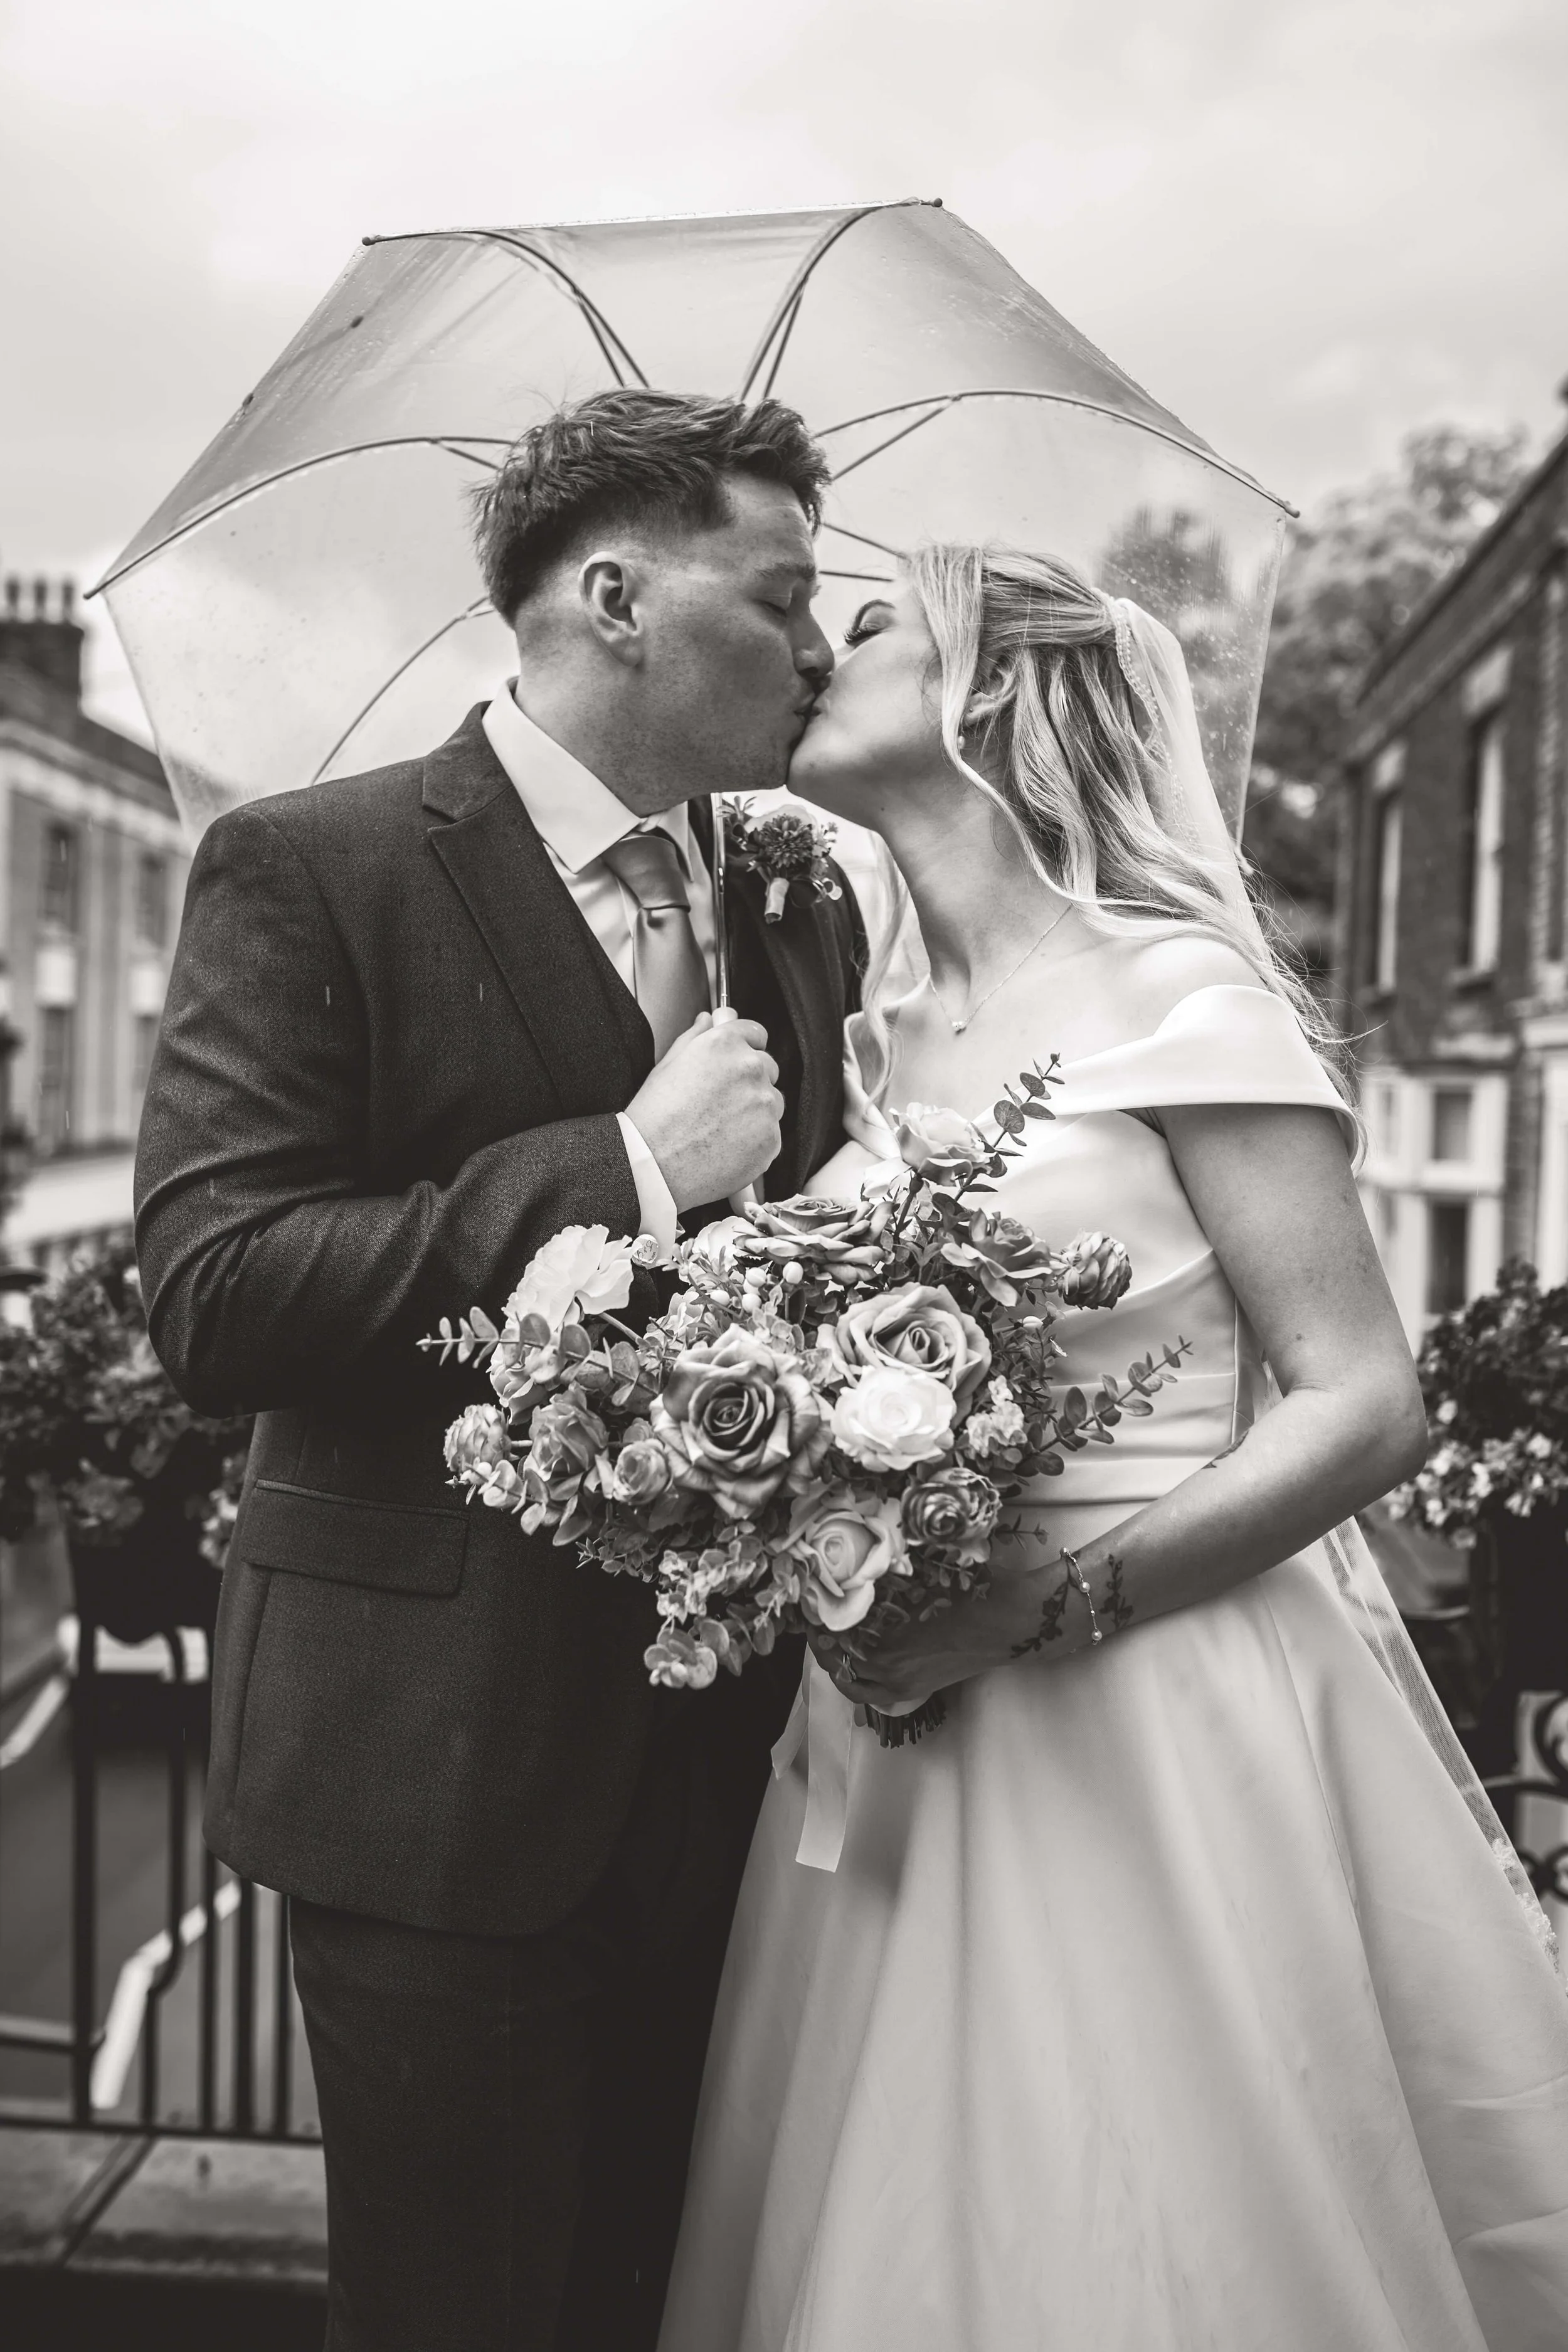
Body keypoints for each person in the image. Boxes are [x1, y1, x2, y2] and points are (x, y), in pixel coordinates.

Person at [659, 545, 1568, 2351]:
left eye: (867, 626)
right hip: (896, 1730)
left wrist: (1040, 1602)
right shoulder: (876, 1030)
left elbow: (1360, 1397)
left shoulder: (1183, 998)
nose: (813, 653)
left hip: (1142, 1694)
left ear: (989, 695)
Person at [134, 388, 864, 2352]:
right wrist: (622, 1167)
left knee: (657, 2300)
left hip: (732, 1761)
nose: (821, 646)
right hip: (428, 1771)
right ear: (612, 596)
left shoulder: (788, 904)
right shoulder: (313, 865)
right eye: (783, 592)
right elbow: (215, 1289)